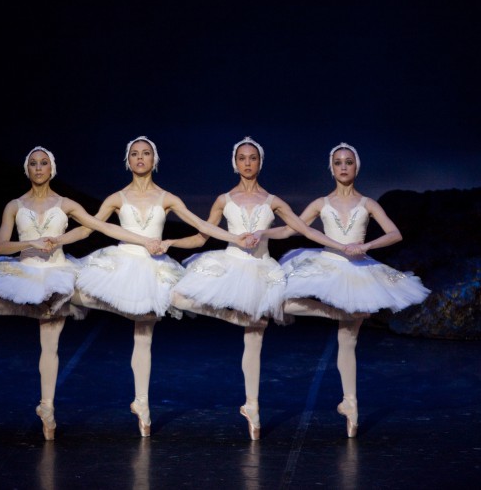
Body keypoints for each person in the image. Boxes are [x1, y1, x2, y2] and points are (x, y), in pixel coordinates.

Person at [0, 146, 161, 441]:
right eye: (34, 164)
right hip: (26, 272)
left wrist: (144, 240)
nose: (39, 168)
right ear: (28, 169)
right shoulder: (14, 205)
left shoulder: (65, 204)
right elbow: (1, 246)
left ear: (52, 169)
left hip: (58, 274)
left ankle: (46, 409)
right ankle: (36, 308)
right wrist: (33, 242)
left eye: (44, 163)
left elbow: (97, 227)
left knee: (50, 345)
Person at [51, 136, 251, 438]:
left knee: (144, 335)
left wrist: (235, 238)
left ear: (154, 160)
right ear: (128, 161)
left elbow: (201, 225)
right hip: (121, 263)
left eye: (145, 154)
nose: (140, 158)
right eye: (134, 154)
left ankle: (141, 403)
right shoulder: (117, 197)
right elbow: (89, 225)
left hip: (153, 268)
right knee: (80, 292)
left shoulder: (166, 197)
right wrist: (58, 239)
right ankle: (66, 304)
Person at [165, 137, 350, 441]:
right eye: (242, 158)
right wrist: (170, 242)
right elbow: (202, 237)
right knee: (177, 296)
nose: (247, 163)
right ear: (234, 163)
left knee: (255, 340)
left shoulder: (273, 200)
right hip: (229, 265)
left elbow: (297, 228)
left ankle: (252, 407)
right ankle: (235, 319)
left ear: (260, 162)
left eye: (252, 158)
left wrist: (341, 245)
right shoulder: (224, 199)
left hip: (262, 268)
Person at [257, 142, 431, 438]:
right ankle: (333, 312)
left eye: (348, 162)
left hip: (358, 271)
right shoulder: (321, 202)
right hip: (326, 265)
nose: (343, 167)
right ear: (332, 168)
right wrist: (263, 232)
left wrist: (365, 246)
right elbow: (292, 229)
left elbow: (394, 233)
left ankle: (351, 405)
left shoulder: (368, 204)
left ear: (356, 167)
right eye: (338, 162)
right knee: (278, 298)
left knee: (348, 340)